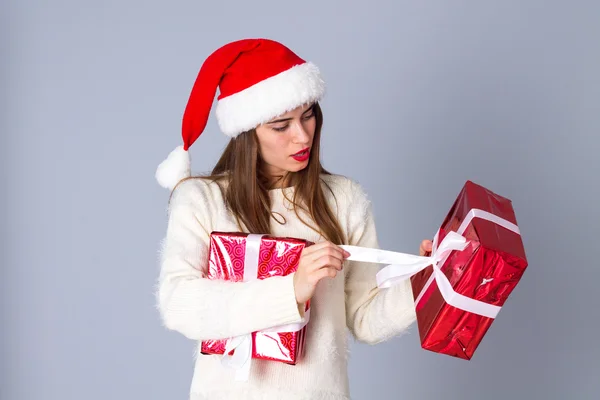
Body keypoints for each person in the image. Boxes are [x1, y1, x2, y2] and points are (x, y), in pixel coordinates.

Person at [154, 38, 433, 400]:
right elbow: (179, 304)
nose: (302, 135)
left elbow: (365, 319)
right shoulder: (202, 200)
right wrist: (290, 290)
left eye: (308, 115)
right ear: (247, 132)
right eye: (280, 125)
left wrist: (425, 282)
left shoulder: (343, 198)